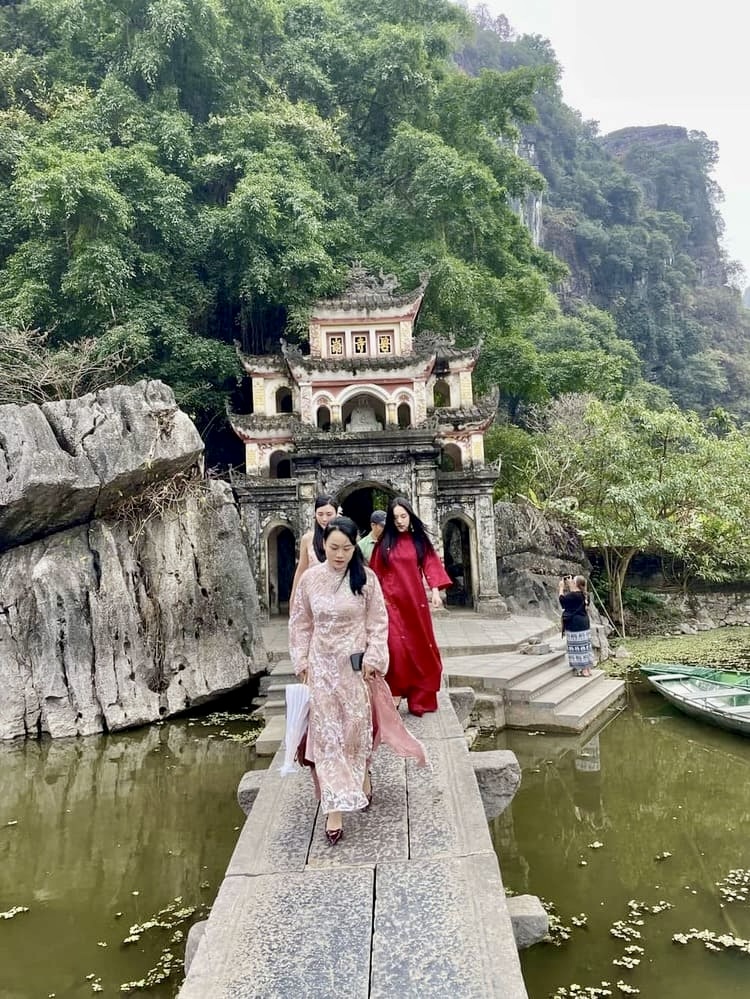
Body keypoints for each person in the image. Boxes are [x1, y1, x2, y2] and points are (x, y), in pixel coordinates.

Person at [288, 516, 388, 845]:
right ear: (323, 546)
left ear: (354, 547)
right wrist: (300, 660)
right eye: (333, 548)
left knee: (354, 730)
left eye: (346, 548)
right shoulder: (311, 580)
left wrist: (374, 657)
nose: (340, 554)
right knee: (328, 736)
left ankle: (362, 775)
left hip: (354, 669)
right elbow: (300, 622)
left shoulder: (366, 579)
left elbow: (378, 622)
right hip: (321, 668)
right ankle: (334, 807)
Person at [369, 496, 452, 716]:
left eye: (403, 516)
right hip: (391, 605)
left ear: (410, 515)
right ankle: (395, 693)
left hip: (415, 605)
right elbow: (374, 574)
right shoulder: (384, 543)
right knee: (396, 649)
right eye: (395, 517)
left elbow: (430, 565)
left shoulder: (419, 542)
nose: (399, 521)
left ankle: (420, 698)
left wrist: (435, 591)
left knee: (422, 648)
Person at [289, 494, 338, 604]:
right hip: (314, 597)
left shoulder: (345, 538)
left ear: (336, 513)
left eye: (329, 514)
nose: (324, 519)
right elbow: (301, 569)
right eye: (320, 514)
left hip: (339, 596)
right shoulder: (307, 539)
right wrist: (293, 597)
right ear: (315, 514)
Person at [559, 574, 594, 677]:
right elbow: (574, 595)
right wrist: (571, 585)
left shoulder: (573, 595)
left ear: (575, 584)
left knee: (577, 646)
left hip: (575, 624)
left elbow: (562, 601)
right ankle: (587, 668)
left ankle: (582, 670)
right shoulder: (585, 594)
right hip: (584, 623)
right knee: (585, 646)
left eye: (573, 581)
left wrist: (561, 588)